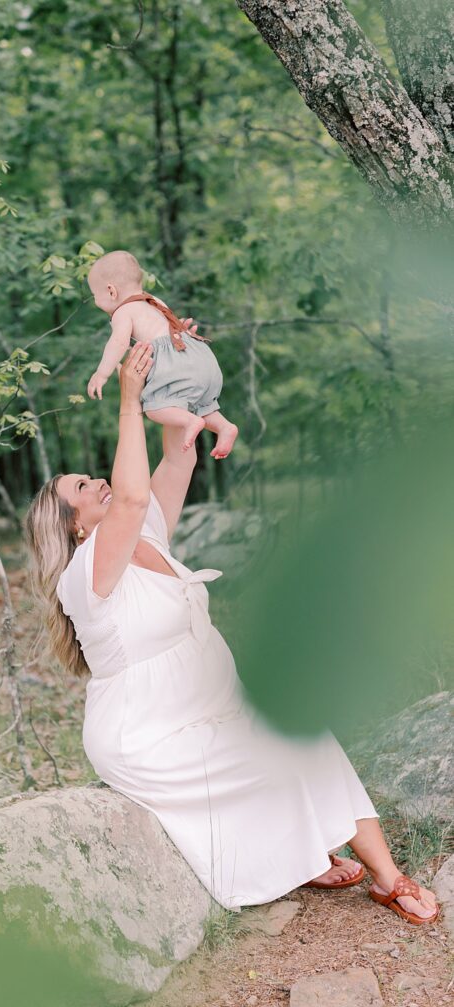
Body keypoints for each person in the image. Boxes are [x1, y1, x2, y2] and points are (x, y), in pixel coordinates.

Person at [25, 343, 440, 924]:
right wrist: (124, 402)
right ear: (73, 524)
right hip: (152, 733)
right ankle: (385, 876)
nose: (97, 482)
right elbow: (135, 490)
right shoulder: (85, 576)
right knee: (291, 745)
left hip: (207, 705)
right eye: (83, 488)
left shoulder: (142, 531)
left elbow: (177, 456)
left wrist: (176, 364)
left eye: (93, 477)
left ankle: (340, 863)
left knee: (303, 734)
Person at [86, 250, 238, 459]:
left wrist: (102, 373)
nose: (96, 303)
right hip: (199, 354)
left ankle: (190, 422)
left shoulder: (123, 311)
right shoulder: (154, 301)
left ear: (111, 291)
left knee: (155, 409)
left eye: (95, 296)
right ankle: (224, 426)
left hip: (175, 362)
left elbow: (119, 342)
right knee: (202, 404)